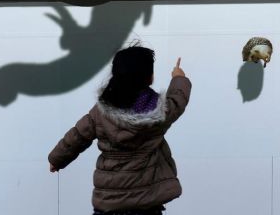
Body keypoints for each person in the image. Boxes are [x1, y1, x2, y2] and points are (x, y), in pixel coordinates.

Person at [48, 43, 192, 215]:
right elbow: (178, 100)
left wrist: (57, 159)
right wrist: (178, 77)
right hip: (146, 204)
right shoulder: (160, 113)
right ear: (150, 78)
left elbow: (78, 135)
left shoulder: (100, 111)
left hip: (108, 203)